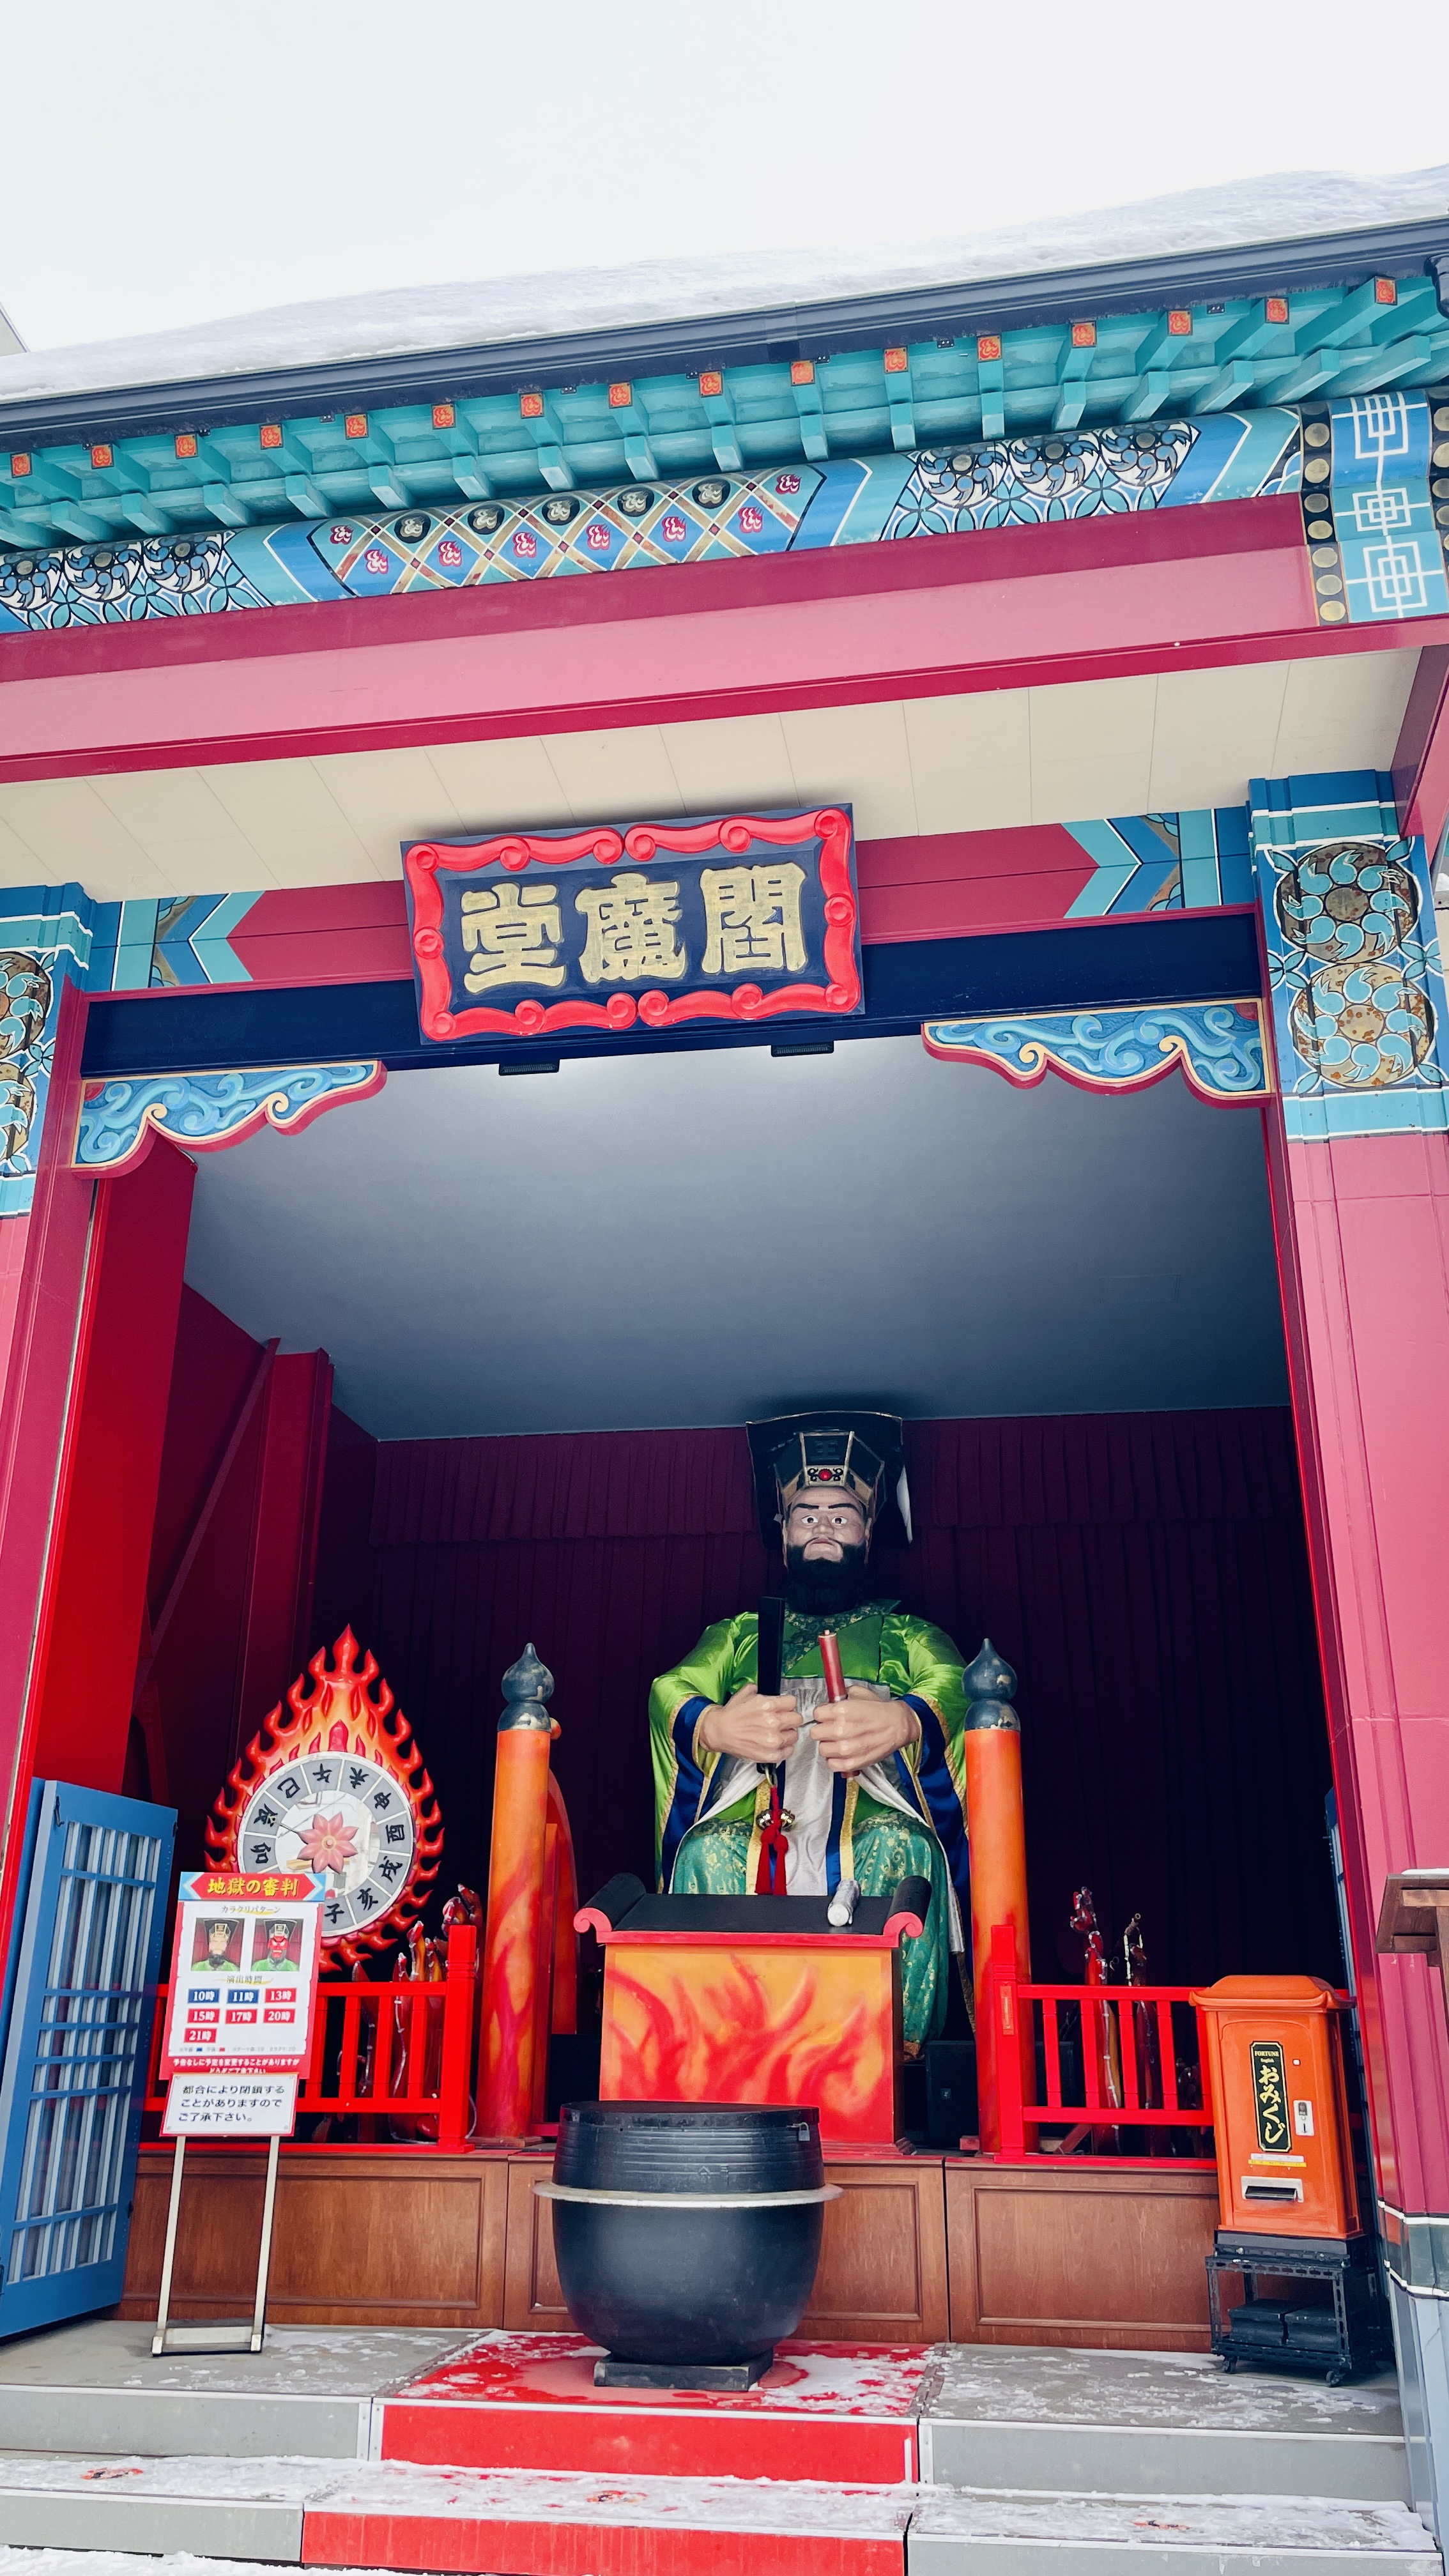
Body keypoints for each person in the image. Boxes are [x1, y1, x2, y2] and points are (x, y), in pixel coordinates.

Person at [649, 1412, 970, 2050]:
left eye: (842, 1516)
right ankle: (714, 2045)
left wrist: (905, 1719)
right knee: (703, 1854)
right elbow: (671, 1687)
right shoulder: (739, 1635)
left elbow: (956, 1682)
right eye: (808, 1515)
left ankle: (896, 2051)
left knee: (906, 1849)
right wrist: (714, 1724)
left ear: (869, 1532)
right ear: (784, 1532)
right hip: (756, 1813)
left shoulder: (904, 1633)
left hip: (868, 1809)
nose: (823, 1526)